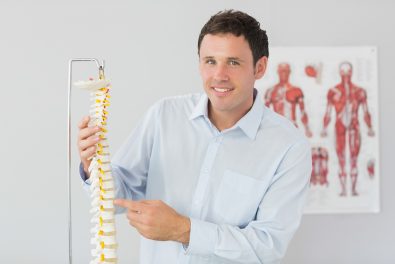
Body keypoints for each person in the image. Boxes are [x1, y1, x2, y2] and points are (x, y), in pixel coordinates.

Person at [78, 10, 311, 264]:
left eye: (233, 62)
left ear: (260, 67)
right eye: (210, 61)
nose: (219, 75)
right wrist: (94, 168)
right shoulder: (164, 116)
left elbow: (267, 246)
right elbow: (117, 200)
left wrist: (184, 230)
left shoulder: (289, 148)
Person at [321, 61, 375, 196]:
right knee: (341, 158)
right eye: (343, 72)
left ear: (352, 73)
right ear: (340, 73)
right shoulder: (333, 92)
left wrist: (370, 127)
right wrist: (324, 128)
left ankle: (354, 189)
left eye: (348, 71)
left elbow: (366, 111)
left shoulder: (359, 92)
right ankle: (344, 190)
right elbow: (328, 112)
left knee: (353, 159)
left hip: (354, 127)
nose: (346, 75)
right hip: (339, 127)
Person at [264, 62, 313, 137]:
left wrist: (307, 128)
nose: (284, 74)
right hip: (276, 128)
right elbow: (265, 113)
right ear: (278, 72)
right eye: (282, 71)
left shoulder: (296, 90)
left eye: (286, 71)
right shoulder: (270, 91)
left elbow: (302, 111)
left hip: (292, 127)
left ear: (289, 72)